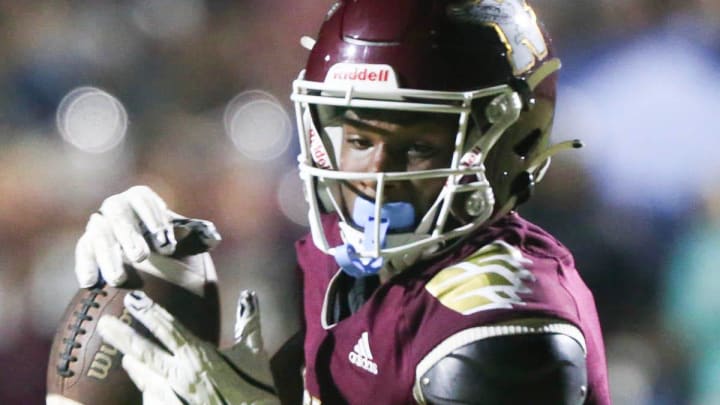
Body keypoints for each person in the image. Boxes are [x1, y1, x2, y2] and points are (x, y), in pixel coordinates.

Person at [74, 0, 611, 403]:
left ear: (509, 146)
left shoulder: (502, 320)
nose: (376, 176)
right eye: (358, 140)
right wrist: (157, 275)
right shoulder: (344, 265)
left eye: (419, 147)